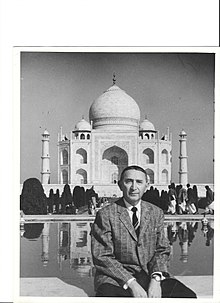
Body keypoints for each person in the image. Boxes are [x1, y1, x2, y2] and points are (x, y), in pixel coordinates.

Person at [91, 165, 196, 298]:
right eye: (129, 181)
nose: (134, 187)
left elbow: (162, 250)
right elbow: (102, 256)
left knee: (188, 297)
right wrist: (131, 283)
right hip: (116, 278)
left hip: (149, 274)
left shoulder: (155, 212)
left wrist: (156, 279)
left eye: (139, 182)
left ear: (146, 185)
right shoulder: (106, 214)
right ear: (120, 185)